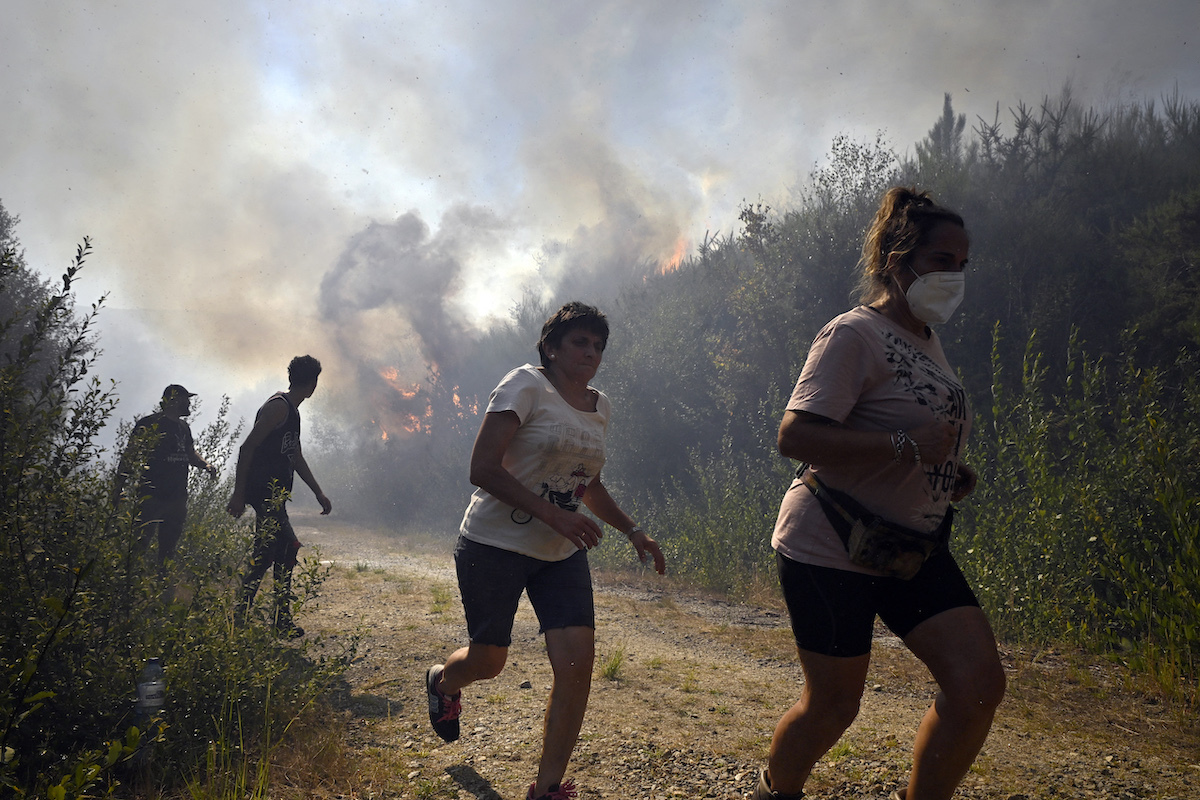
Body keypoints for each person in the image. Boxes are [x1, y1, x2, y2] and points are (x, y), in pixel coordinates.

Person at [755, 188, 1006, 800]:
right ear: (899, 261)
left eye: (963, 264)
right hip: (831, 540)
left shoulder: (929, 343)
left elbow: (910, 435)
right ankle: (773, 792)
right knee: (835, 705)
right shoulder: (853, 333)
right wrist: (905, 444)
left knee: (977, 683)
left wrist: (945, 468)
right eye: (943, 260)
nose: (956, 276)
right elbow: (796, 434)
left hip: (909, 547)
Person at [425, 301, 666, 800]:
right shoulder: (525, 385)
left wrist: (632, 530)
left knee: (577, 665)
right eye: (580, 342)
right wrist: (553, 513)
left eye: (598, 345)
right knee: (490, 662)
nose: (591, 353)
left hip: (560, 551)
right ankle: (444, 683)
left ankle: (547, 788)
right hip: (495, 543)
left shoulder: (600, 407)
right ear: (551, 347)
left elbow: (588, 481)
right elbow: (483, 469)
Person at [226, 355, 332, 638]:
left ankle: (243, 617)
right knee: (288, 547)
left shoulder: (292, 412)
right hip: (265, 495)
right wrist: (239, 494)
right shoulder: (277, 407)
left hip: (275, 497)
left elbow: (294, 455)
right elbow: (246, 449)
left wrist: (318, 491)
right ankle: (277, 620)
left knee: (266, 555)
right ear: (312, 384)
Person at [116, 384, 219, 571]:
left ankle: (161, 588)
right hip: (151, 496)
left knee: (168, 549)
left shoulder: (183, 427)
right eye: (186, 399)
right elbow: (129, 456)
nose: (189, 403)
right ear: (174, 400)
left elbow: (189, 453)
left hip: (177, 498)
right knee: (139, 545)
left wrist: (206, 465)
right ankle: (128, 587)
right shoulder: (149, 424)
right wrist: (117, 488)